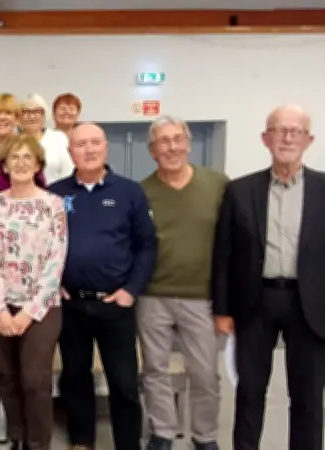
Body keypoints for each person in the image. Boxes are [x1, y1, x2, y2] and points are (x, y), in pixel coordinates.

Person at [212, 104, 325, 450]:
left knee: (308, 397)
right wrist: (222, 309)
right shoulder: (240, 190)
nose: (287, 138)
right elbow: (223, 254)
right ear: (265, 138)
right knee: (250, 392)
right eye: (279, 130)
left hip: (311, 304)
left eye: (295, 131)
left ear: (308, 140)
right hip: (255, 301)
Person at [48, 122, 157, 450]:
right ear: (71, 152)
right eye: (81, 144)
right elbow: (44, 245)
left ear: (106, 147)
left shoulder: (129, 191)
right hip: (71, 305)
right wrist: (53, 283)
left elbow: (147, 245)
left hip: (115, 305)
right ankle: (82, 440)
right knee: (75, 377)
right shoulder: (55, 193)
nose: (89, 149)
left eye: (95, 142)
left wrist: (131, 291)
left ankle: (128, 444)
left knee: (124, 383)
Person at [139, 115, 226, 450]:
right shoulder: (141, 192)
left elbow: (232, 241)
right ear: (152, 150)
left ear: (188, 143)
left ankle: (205, 436)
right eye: (163, 141)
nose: (171, 147)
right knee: (155, 370)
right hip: (153, 295)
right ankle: (162, 432)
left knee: (205, 374)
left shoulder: (218, 185)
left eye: (177, 139)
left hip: (201, 297)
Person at [0, 135, 67, 450]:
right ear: (4, 165)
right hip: (1, 304)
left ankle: (38, 443)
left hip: (42, 306)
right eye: (14, 157)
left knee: (34, 379)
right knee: (6, 376)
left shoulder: (53, 204)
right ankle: (18, 436)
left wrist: (29, 313)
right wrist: (0, 309)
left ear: (38, 165)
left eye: (27, 157)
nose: (20, 163)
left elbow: (56, 259)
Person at [19, 94, 74, 184]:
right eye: (26, 112)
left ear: (44, 115)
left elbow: (68, 172)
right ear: (19, 116)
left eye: (37, 112)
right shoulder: (13, 141)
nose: (32, 117)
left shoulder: (58, 137)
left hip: (56, 191)